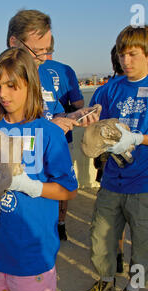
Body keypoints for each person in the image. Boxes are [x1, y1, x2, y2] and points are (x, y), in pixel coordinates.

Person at [75, 24, 148, 291]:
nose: (126, 61)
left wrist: (138, 138)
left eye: (133, 54)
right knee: (102, 238)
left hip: (147, 183)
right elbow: (96, 122)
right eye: (122, 55)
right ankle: (107, 281)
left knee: (143, 245)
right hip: (113, 181)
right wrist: (89, 122)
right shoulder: (108, 89)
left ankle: (133, 288)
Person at [0, 47, 78, 291]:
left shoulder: (50, 132)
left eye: (12, 86)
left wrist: (29, 186)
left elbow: (69, 189)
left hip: (32, 254)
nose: (3, 94)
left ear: (30, 84)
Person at [0, 9, 98, 134]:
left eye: (47, 50)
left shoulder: (44, 73)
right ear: (14, 42)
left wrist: (71, 117)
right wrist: (45, 130)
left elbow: (54, 114)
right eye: (37, 51)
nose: (43, 58)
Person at [42, 36, 85, 241]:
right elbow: (78, 103)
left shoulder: (28, 68)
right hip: (62, 134)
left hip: (37, 136)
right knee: (62, 180)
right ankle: (61, 224)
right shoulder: (65, 69)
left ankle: (46, 225)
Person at [90, 45, 127, 274]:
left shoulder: (105, 90)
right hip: (147, 170)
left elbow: (93, 131)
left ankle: (119, 258)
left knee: (113, 215)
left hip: (112, 167)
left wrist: (99, 160)